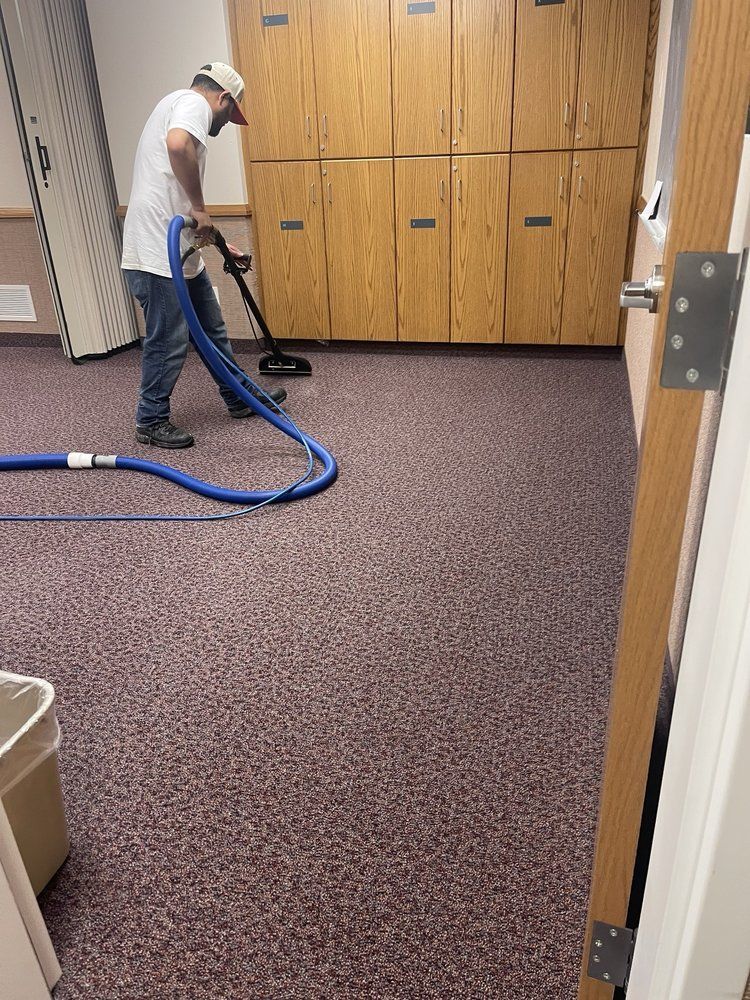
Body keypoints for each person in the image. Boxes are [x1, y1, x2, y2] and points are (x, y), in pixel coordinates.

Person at [122, 62, 286, 449]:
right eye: (231, 114)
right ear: (223, 98)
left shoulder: (174, 105)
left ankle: (238, 396)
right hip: (156, 254)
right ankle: (150, 420)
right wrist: (199, 206)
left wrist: (218, 240)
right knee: (169, 340)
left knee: (211, 330)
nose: (228, 122)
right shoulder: (191, 102)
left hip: (179, 252)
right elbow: (178, 146)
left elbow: (184, 207)